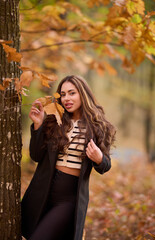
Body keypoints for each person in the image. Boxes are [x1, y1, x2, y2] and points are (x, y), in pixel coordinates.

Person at [21, 75, 116, 240]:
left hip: (68, 199)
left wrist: (99, 158)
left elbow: (105, 166)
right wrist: (38, 125)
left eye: (72, 93)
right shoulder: (54, 121)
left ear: (83, 94)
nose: (66, 98)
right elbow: (36, 156)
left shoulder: (97, 126)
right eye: (63, 94)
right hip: (42, 192)